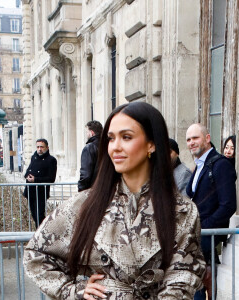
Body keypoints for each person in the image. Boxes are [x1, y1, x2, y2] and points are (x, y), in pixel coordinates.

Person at [24, 102, 205, 299]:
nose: (115, 147)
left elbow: (182, 274)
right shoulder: (86, 204)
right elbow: (36, 253)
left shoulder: (181, 211)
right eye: (111, 139)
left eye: (126, 137)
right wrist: (72, 291)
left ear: (151, 144)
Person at [185, 124, 237, 300]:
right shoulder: (200, 165)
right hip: (195, 236)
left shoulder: (221, 165)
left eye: (195, 138)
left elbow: (228, 205)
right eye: (188, 139)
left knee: (200, 285)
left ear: (207, 138)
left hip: (207, 237)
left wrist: (204, 227)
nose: (191, 143)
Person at [23, 138, 57, 228]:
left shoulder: (51, 160)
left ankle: (43, 232)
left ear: (47, 147)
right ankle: (39, 232)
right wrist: (27, 176)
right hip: (31, 191)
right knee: (34, 215)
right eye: (37, 147)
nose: (39, 149)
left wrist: (36, 179)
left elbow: (51, 178)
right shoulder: (34, 157)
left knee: (39, 215)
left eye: (41, 147)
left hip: (41, 192)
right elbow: (28, 170)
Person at [78, 120, 103, 192]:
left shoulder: (89, 147)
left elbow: (86, 174)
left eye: (87, 132)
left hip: (93, 190)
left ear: (92, 133)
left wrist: (81, 189)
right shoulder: (108, 145)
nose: (86, 134)